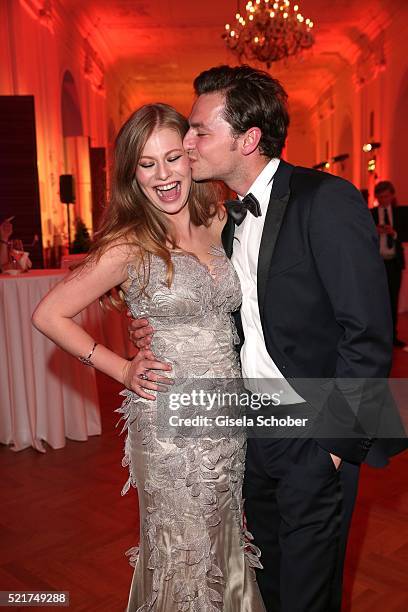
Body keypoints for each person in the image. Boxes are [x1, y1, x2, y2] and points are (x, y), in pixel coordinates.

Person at [129, 66, 406, 612]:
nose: (188, 143)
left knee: (309, 594)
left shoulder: (325, 200)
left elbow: (368, 331)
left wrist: (332, 446)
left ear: (248, 139)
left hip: (315, 428)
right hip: (249, 432)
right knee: (268, 587)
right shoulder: (222, 218)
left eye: (200, 131)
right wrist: (151, 326)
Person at [32, 103, 266, 612]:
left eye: (173, 157)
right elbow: (49, 314)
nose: (164, 175)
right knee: (183, 555)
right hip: (172, 426)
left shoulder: (218, 216)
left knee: (222, 542)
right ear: (132, 176)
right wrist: (122, 367)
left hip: (228, 416)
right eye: (147, 163)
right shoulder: (128, 244)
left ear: (192, 156)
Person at [372, 180, 406, 347]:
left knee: (393, 300)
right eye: (380, 197)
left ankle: (393, 336)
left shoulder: (400, 213)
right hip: (376, 264)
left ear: (392, 196)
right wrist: (374, 231)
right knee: (375, 300)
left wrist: (394, 232)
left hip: (393, 263)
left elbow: (405, 234)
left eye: (386, 196)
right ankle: (378, 337)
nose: (383, 200)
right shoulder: (370, 213)